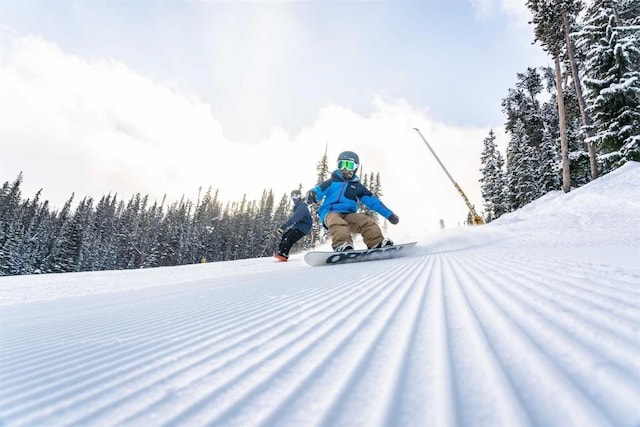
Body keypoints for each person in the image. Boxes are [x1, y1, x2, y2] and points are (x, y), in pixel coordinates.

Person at [306, 150, 399, 252]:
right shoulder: (332, 182)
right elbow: (319, 190)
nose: (345, 169)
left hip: (349, 215)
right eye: (342, 165)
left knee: (366, 221)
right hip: (329, 212)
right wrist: (312, 195)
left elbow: (373, 202)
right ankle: (342, 244)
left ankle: (376, 242)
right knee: (336, 221)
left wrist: (389, 214)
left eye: (349, 165)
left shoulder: (357, 187)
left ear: (355, 168)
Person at [274, 189, 313, 261]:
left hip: (303, 227)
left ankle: (284, 254)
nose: (294, 199)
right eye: (293, 197)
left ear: (300, 197)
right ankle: (281, 252)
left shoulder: (302, 206)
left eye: (296, 196)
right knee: (285, 235)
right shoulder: (298, 206)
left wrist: (284, 226)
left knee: (289, 238)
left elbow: (295, 218)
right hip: (298, 226)